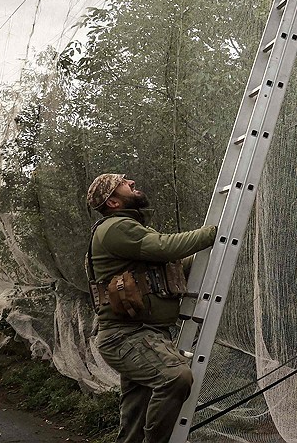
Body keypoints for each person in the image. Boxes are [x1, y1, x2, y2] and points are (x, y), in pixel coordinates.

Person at [85, 173, 217, 443]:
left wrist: (207, 255)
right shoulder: (116, 228)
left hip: (143, 334)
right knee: (175, 378)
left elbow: (172, 267)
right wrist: (215, 234)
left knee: (134, 420)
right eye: (122, 183)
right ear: (113, 203)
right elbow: (166, 248)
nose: (132, 182)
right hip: (128, 335)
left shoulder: (130, 228)